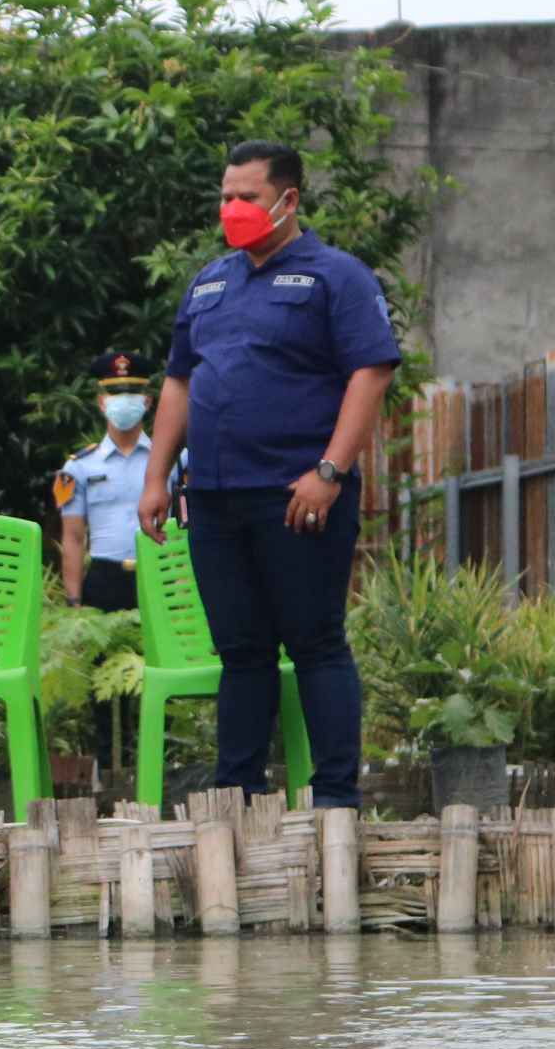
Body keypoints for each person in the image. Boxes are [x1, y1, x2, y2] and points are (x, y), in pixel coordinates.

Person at [139, 141, 399, 808]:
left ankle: (335, 800)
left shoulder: (337, 277)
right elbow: (179, 382)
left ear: (288, 199)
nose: (232, 208)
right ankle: (237, 798)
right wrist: (156, 476)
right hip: (214, 498)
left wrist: (330, 471)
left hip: (298, 494)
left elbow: (371, 373)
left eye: (246, 197)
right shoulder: (209, 282)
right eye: (225, 196)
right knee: (241, 651)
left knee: (315, 643)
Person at [55, 350, 158, 612]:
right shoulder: (78, 467)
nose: (124, 401)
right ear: (102, 403)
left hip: (162, 572)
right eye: (115, 394)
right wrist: (74, 602)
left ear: (147, 401)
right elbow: (73, 538)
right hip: (104, 581)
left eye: (132, 394)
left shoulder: (170, 460)